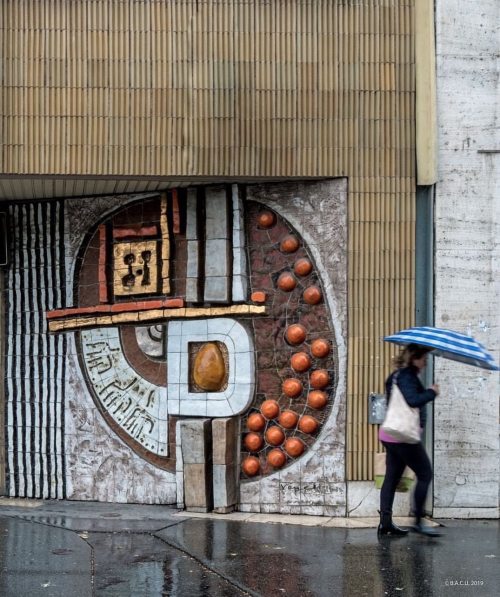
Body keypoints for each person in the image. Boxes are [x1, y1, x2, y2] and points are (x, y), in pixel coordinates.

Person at [378, 343, 442, 537]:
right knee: (425, 473)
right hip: (403, 437)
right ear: (415, 358)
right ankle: (418, 521)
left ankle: (386, 524)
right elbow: (413, 400)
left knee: (391, 478)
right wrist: (432, 392)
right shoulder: (407, 376)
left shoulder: (395, 376)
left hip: (390, 434)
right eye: (424, 358)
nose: (425, 363)